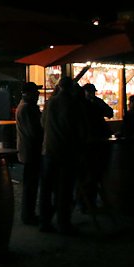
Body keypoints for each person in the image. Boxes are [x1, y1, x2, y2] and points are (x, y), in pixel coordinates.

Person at [40, 76, 88, 236]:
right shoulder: (73, 104)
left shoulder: (50, 103)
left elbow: (42, 123)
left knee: (47, 189)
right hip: (66, 151)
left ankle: (45, 222)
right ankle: (63, 222)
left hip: (48, 149)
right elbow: (80, 129)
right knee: (64, 189)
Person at [79, 83, 114, 214]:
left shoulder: (94, 103)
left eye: (92, 92)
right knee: (90, 174)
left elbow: (109, 113)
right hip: (90, 142)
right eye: (89, 92)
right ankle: (87, 202)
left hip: (94, 141)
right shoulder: (83, 105)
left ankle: (89, 202)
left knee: (93, 174)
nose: (91, 94)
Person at [16, 81, 44, 226]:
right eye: (35, 91)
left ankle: (29, 214)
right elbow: (34, 131)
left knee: (30, 185)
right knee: (30, 186)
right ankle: (28, 215)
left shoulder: (24, 106)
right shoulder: (27, 108)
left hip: (27, 150)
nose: (38, 93)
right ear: (29, 93)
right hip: (31, 150)